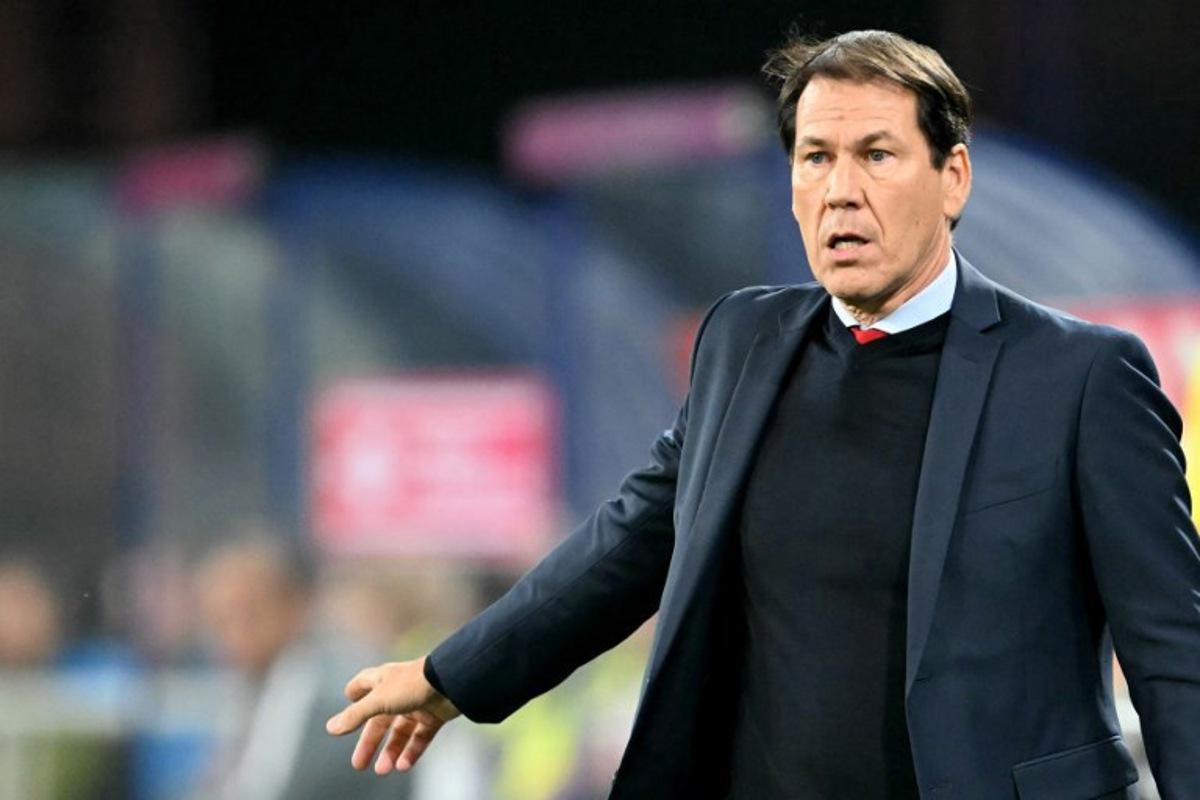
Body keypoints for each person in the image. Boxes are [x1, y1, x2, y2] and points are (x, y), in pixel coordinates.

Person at [326, 30, 1200, 798]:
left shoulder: (1082, 376)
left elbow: (1172, 651)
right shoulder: (743, 341)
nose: (839, 190)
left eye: (877, 155)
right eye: (815, 157)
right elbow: (629, 544)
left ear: (953, 177)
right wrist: (451, 675)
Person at [196, 533, 411, 800]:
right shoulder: (246, 692)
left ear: (295, 606)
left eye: (250, 614)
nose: (234, 635)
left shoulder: (333, 692)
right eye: (220, 621)